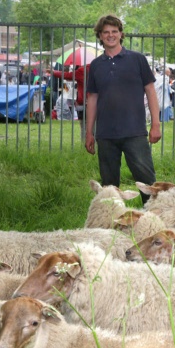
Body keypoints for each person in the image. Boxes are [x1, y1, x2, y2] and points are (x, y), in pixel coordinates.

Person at [85, 14, 160, 205]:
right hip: (106, 134)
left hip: (134, 131)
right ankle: (112, 225)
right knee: (109, 187)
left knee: (147, 182)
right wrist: (89, 133)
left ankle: (154, 220)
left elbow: (150, 91)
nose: (110, 35)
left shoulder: (137, 60)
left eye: (114, 31)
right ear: (100, 36)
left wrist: (156, 124)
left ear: (121, 34)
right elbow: (92, 99)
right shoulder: (95, 66)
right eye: (106, 32)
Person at [53, 49, 92, 141]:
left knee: (84, 125)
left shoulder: (82, 70)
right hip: (98, 101)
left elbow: (67, 75)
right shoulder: (98, 68)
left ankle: (86, 143)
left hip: (84, 102)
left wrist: (53, 72)